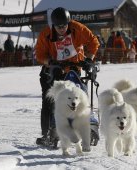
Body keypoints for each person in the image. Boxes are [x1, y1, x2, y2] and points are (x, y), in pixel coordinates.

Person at [35, 7, 99, 147]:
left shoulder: (77, 29)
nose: (62, 29)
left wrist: (89, 60)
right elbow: (39, 54)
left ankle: (86, 123)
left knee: (78, 96)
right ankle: (47, 134)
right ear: (54, 25)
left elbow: (93, 42)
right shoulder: (46, 34)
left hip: (73, 69)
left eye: (65, 25)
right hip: (53, 70)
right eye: (59, 26)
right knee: (49, 100)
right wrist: (50, 62)